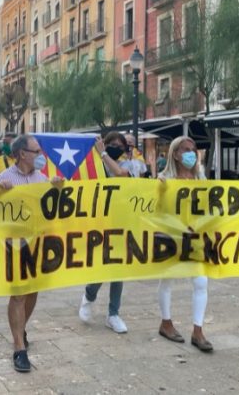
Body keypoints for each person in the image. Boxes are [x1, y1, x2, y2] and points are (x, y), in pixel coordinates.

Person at [0, 134, 61, 373]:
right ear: (22, 154)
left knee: (33, 292)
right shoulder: (3, 179)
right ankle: (19, 348)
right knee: (19, 294)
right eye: (37, 152)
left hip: (38, 243)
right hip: (13, 245)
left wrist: (56, 189)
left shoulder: (41, 178)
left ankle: (20, 328)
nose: (40, 156)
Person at [155, 136, 213, 352]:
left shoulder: (202, 179)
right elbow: (156, 209)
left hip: (195, 237)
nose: (191, 153)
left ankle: (198, 331)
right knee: (167, 280)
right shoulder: (164, 179)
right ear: (175, 154)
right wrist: (158, 190)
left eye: (193, 149)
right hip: (171, 236)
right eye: (186, 149)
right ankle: (166, 322)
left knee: (200, 282)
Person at [78, 132, 132, 334]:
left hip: (120, 223)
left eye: (121, 144)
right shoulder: (94, 167)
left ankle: (113, 314)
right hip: (97, 222)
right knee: (101, 267)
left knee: (117, 270)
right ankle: (89, 296)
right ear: (104, 144)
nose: (117, 147)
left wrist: (103, 154)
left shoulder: (129, 166)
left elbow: (120, 174)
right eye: (112, 144)